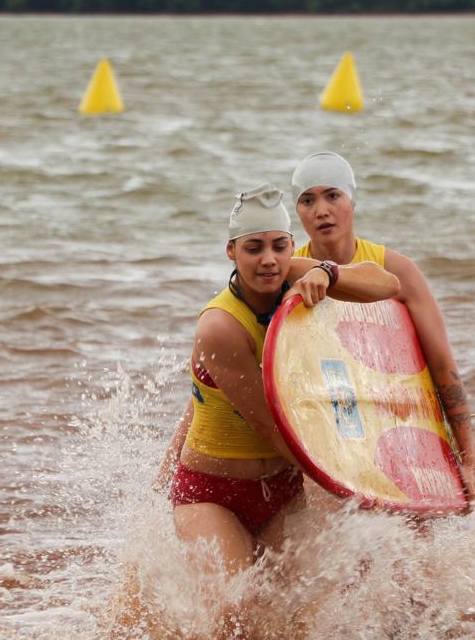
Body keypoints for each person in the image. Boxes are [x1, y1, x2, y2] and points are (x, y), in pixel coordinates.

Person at [158, 184, 400, 578]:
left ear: (292, 247)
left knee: (292, 616)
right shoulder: (220, 326)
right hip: (211, 493)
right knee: (234, 612)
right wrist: (354, 485)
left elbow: (388, 284)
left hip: (282, 491)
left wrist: (327, 272)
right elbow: (272, 427)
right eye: (254, 249)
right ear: (231, 252)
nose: (269, 261)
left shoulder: (294, 273)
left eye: (279, 246)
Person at [289, 151, 475, 507]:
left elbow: (442, 365)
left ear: (352, 200)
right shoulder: (287, 272)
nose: (321, 210)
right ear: (298, 211)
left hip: (395, 421)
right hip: (329, 423)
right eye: (307, 200)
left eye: (333, 195)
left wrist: (467, 457)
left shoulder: (397, 270)